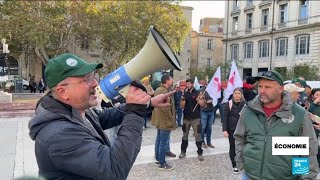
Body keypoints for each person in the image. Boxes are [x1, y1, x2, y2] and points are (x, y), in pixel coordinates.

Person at [28, 53, 175, 180]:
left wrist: (148, 103)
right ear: (63, 92)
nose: (95, 83)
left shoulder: (75, 111)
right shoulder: (59, 136)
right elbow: (114, 169)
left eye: (92, 76)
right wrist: (136, 112)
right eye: (85, 80)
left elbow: (106, 116)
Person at [234, 70, 318, 179]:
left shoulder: (299, 114)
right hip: (250, 175)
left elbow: (307, 148)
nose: (262, 91)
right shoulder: (249, 110)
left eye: (268, 87)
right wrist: (241, 162)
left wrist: (305, 176)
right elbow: (239, 137)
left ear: (280, 89)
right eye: (260, 86)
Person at [151, 74, 176, 170]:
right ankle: (162, 163)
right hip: (165, 121)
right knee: (163, 142)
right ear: (167, 80)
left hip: (158, 120)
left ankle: (158, 159)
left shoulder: (158, 89)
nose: (172, 80)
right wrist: (171, 119)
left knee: (159, 140)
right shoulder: (165, 92)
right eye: (171, 79)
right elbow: (166, 107)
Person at [178, 79, 204, 161]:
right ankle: (183, 152)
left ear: (192, 84)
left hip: (196, 118)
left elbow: (202, 104)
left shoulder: (198, 93)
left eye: (189, 84)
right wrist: (182, 100)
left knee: (198, 135)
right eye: (187, 84)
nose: (187, 85)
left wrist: (199, 100)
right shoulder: (185, 93)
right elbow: (181, 106)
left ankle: (200, 153)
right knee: (185, 135)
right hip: (186, 117)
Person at [222, 87, 246, 174]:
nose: (237, 95)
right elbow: (225, 117)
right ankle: (234, 164)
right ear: (233, 94)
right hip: (232, 129)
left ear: (241, 95)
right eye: (235, 93)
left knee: (242, 147)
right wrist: (224, 130)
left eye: (239, 93)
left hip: (243, 130)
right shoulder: (229, 104)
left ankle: (242, 162)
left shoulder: (245, 104)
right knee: (233, 147)